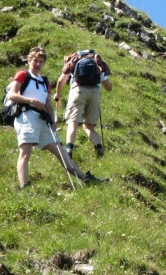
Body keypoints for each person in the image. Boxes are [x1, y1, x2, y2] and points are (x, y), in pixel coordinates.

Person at [7, 46, 102, 189]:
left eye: (40, 61)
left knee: (61, 153)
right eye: (35, 60)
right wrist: (32, 101)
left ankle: (85, 178)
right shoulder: (22, 74)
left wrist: (53, 120)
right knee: (25, 152)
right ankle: (24, 186)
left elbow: (48, 104)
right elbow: (12, 95)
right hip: (26, 116)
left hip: (43, 120)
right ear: (29, 60)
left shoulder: (45, 81)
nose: (38, 64)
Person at [54, 48, 113, 160]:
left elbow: (61, 80)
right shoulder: (98, 61)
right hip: (95, 93)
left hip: (78, 90)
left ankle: (69, 150)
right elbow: (108, 87)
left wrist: (57, 94)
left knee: (73, 123)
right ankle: (99, 149)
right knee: (89, 127)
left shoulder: (74, 60)